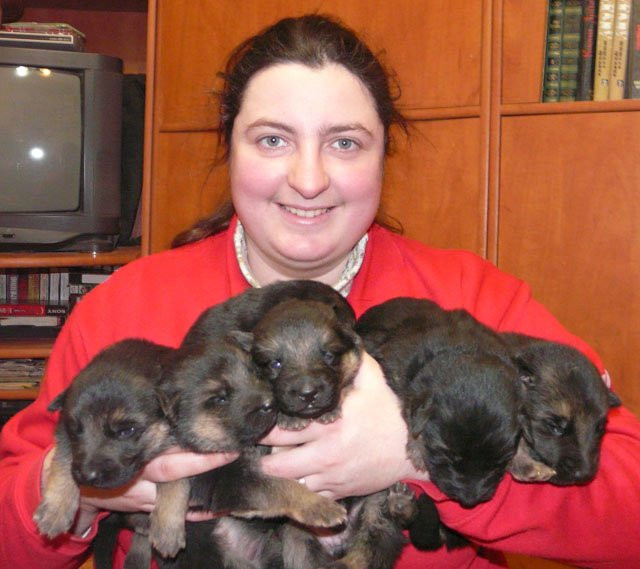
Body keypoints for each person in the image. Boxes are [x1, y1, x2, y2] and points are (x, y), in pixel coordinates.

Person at [1, 13, 639, 569]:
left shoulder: (471, 299)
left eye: (345, 143)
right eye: (273, 139)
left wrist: (416, 457)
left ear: (385, 155)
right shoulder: (123, 306)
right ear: (229, 147)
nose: (308, 179)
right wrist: (84, 485)